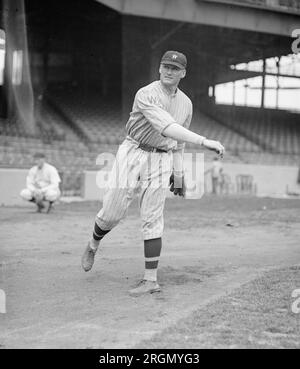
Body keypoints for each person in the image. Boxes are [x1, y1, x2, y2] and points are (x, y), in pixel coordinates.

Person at [81, 50, 225, 296]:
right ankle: (94, 243)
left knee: (153, 218)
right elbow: (167, 127)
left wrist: (178, 173)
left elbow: (177, 144)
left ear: (183, 73)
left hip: (162, 158)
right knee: (112, 214)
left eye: (175, 68)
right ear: (159, 68)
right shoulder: (146, 93)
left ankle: (150, 280)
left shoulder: (186, 104)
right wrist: (204, 141)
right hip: (133, 151)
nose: (169, 71)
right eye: (165, 66)